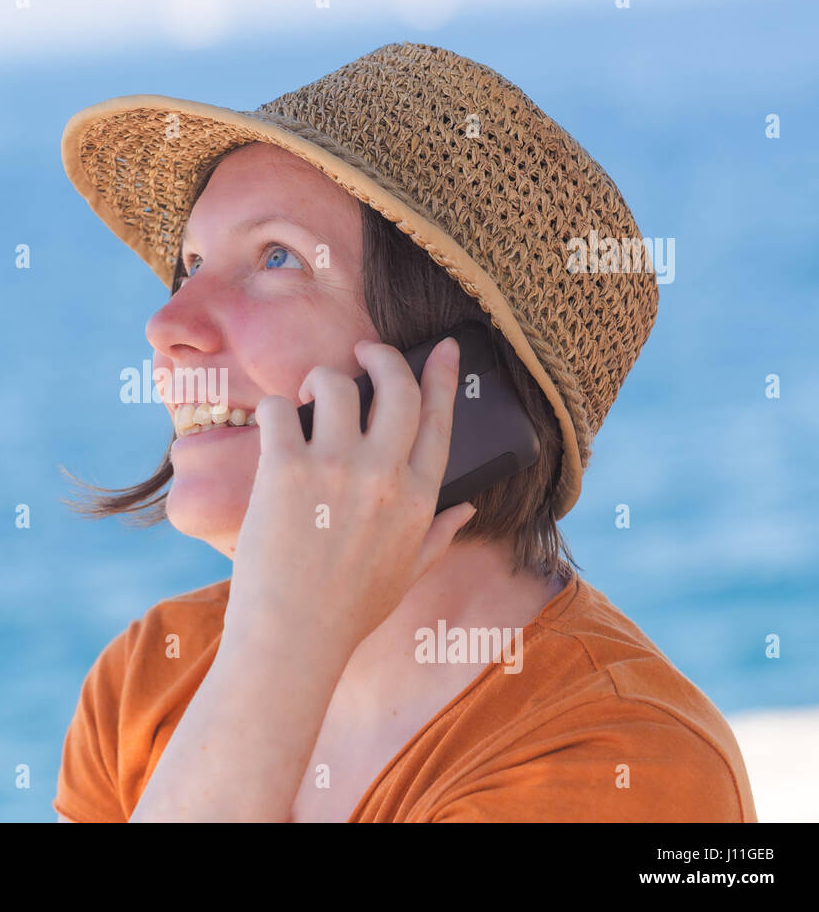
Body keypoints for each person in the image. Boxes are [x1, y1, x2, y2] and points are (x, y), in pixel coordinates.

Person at [52, 43, 756, 822]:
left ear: (455, 379)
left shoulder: (625, 759)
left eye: (276, 257)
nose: (167, 325)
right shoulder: (145, 683)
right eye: (190, 267)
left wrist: (282, 651)